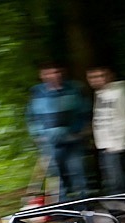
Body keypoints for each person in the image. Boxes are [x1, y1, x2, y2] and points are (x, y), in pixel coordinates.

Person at [26, 62, 90, 202]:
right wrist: (37, 135)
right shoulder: (36, 93)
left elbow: (84, 112)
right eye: (49, 73)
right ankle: (62, 205)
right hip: (49, 142)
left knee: (77, 171)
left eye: (56, 72)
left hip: (73, 139)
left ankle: (83, 203)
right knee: (55, 176)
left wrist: (82, 130)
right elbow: (31, 117)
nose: (54, 76)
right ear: (42, 75)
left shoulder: (74, 89)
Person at [86, 66, 125, 194]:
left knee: (117, 180)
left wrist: (118, 145)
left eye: (100, 76)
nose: (96, 80)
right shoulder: (100, 94)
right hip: (106, 144)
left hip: (117, 144)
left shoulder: (118, 93)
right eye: (92, 77)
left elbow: (123, 119)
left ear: (109, 76)